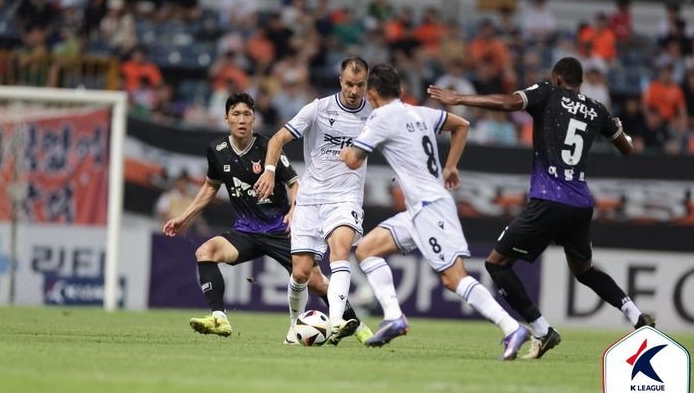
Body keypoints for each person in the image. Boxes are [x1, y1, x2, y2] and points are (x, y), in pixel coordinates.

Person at [427, 57, 655, 360]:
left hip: (549, 199)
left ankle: (542, 329)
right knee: (584, 270)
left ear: (558, 78)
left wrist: (461, 98)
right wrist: (620, 129)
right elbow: (627, 148)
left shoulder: (548, 92)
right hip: (581, 204)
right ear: (580, 82)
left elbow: (510, 103)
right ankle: (635, 315)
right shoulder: (597, 109)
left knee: (496, 264)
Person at [341, 63, 531, 360]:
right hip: (419, 209)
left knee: (453, 279)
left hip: (430, 208)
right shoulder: (419, 112)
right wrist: (451, 165)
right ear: (401, 90)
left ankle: (511, 327)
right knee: (366, 250)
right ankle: (394, 317)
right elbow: (461, 125)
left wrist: (344, 149)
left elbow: (352, 160)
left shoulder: (380, 117)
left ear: (372, 92)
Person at [163, 93, 370, 344]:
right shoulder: (217, 150)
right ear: (226, 117)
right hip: (246, 231)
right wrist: (184, 218)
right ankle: (219, 317)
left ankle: (356, 326)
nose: (242, 120)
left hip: (278, 229)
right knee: (205, 252)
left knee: (315, 282)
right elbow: (210, 187)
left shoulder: (266, 147)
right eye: (236, 114)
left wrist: (294, 211)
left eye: (247, 114)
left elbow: (295, 183)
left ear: (254, 118)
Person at [253, 57, 372, 345]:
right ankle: (295, 327)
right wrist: (270, 171)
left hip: (345, 198)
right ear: (339, 81)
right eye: (349, 84)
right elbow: (277, 139)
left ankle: (334, 323)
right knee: (301, 272)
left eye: (360, 85)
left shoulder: (374, 114)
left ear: (366, 83)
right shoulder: (318, 109)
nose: (354, 91)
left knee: (340, 251)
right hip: (310, 198)